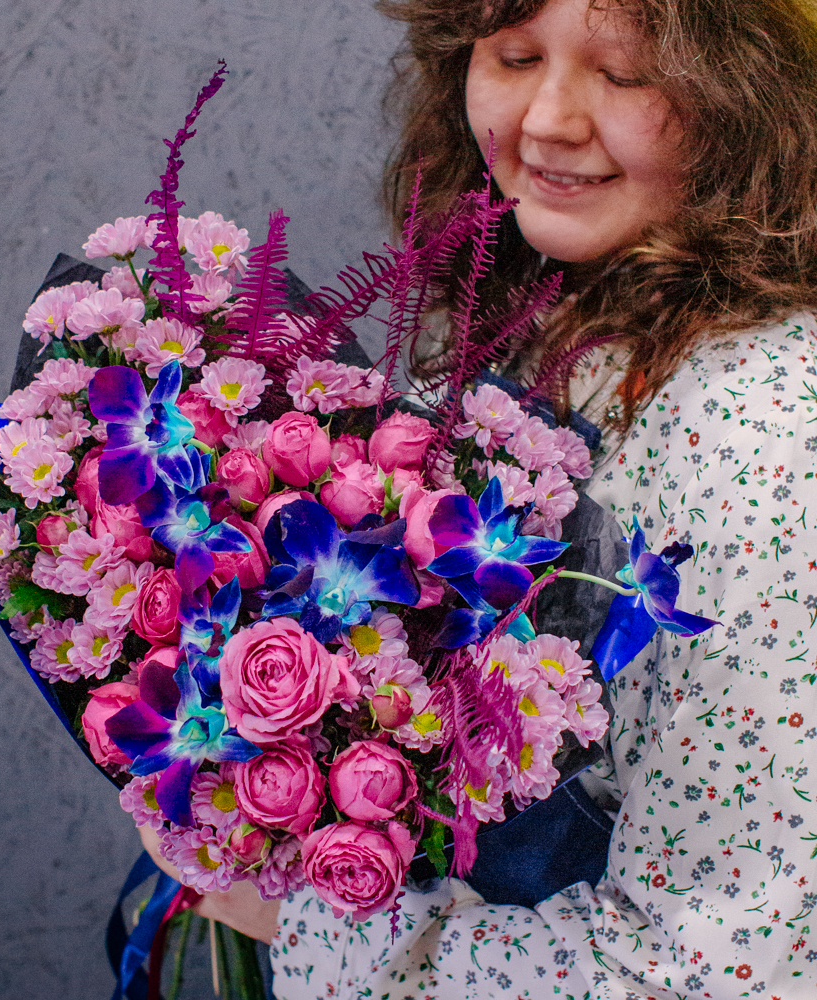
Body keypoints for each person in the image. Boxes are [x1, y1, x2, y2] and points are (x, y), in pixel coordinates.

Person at [143, 0, 817, 995]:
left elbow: (716, 970)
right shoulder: (546, 312)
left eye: (623, 74)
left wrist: (314, 926)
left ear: (755, 96)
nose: (546, 120)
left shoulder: (768, 432)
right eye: (513, 55)